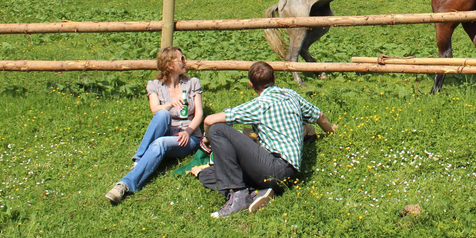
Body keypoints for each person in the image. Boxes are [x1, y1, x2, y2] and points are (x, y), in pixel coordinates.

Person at [201, 61, 336, 218]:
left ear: (251, 85)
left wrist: (206, 139)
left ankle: (239, 196)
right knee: (207, 174)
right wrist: (331, 132)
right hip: (290, 174)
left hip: (274, 166)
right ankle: (258, 193)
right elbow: (320, 117)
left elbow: (209, 120)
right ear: (274, 77)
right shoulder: (291, 95)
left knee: (218, 129)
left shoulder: (259, 105)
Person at [105, 46, 204, 203]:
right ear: (170, 65)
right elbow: (155, 110)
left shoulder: (192, 83)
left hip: (188, 136)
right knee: (162, 114)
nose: (186, 62)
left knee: (160, 143)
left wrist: (188, 132)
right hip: (167, 130)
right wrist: (171, 104)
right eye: (182, 59)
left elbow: (199, 114)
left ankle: (125, 184)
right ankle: (139, 161)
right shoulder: (155, 85)